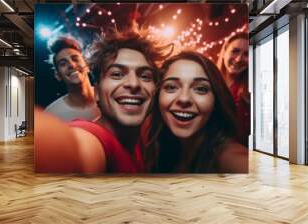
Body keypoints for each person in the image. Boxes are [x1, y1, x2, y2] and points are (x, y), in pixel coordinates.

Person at [35, 30, 171, 173]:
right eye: (117, 74)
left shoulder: (144, 133)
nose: (134, 84)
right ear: (97, 92)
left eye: (145, 76)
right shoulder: (91, 136)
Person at [144, 51, 248, 173]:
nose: (184, 98)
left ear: (216, 101)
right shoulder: (162, 149)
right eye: (171, 87)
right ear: (158, 96)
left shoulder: (231, 158)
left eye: (200, 89)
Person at [45, 36, 100, 121]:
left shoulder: (106, 95)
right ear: (58, 76)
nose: (71, 65)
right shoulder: (51, 115)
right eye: (63, 64)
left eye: (75, 59)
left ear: (87, 65)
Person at [217, 32, 250, 146]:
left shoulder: (251, 90)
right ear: (224, 52)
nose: (239, 59)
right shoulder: (208, 81)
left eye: (247, 54)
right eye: (235, 51)